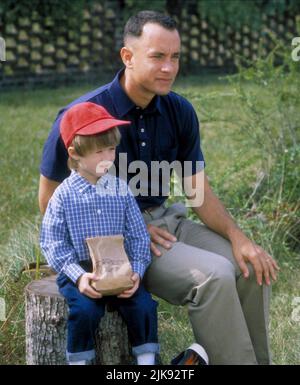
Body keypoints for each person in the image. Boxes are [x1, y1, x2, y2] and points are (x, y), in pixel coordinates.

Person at [39, 11, 279, 364]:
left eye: (175, 57)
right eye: (157, 56)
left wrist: (239, 238)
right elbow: (49, 200)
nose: (169, 67)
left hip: (169, 223)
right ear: (127, 56)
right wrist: (123, 231)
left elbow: (198, 193)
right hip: (119, 242)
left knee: (250, 269)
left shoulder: (179, 110)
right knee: (214, 277)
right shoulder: (83, 116)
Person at [40, 102, 160, 365]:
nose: (107, 157)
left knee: (143, 306)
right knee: (84, 311)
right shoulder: (63, 195)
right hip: (82, 269)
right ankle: (79, 361)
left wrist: (137, 270)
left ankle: (147, 361)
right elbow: (52, 242)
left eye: (112, 149)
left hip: (119, 266)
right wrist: (79, 276)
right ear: (75, 154)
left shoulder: (120, 189)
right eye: (98, 151)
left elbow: (139, 235)